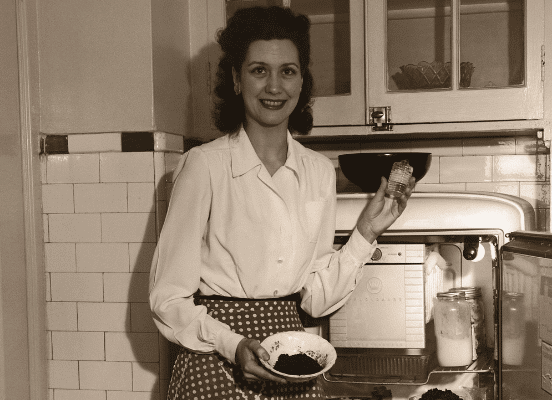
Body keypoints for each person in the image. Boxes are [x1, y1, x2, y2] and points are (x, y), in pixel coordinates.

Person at [148, 6, 416, 400]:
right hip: (213, 357)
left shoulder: (318, 172)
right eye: (259, 70)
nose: (274, 86)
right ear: (237, 79)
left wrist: (365, 233)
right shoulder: (204, 166)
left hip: (290, 354)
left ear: (301, 80)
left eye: (287, 71)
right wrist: (232, 344)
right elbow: (167, 298)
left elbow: (317, 299)